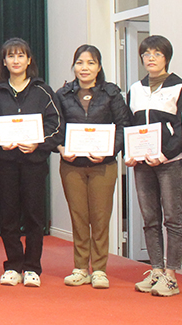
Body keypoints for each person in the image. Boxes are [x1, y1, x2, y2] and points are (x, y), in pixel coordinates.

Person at [55, 44, 129, 289]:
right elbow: (55, 126)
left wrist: (110, 150)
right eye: (79, 62)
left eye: (90, 63)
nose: (84, 68)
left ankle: (98, 269)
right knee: (78, 217)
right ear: (74, 66)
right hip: (72, 165)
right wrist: (61, 148)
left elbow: (123, 126)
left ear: (99, 67)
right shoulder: (63, 94)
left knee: (100, 217)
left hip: (103, 165)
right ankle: (80, 268)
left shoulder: (111, 93)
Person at [0, 37, 60, 287]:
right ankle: (13, 265)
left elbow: (56, 125)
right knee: (7, 216)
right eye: (10, 56)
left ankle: (32, 268)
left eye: (20, 55)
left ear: (29, 60)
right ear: (4, 62)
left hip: (34, 164)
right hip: (5, 163)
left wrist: (38, 144)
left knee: (34, 216)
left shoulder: (43, 91)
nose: (16, 60)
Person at [126, 35, 182, 297]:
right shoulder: (135, 89)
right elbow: (130, 126)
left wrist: (164, 154)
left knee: (173, 219)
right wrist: (130, 153)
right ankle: (156, 270)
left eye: (157, 54)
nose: (151, 59)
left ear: (167, 58)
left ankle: (171, 276)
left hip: (170, 163)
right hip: (142, 165)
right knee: (149, 219)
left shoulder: (180, 88)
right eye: (146, 54)